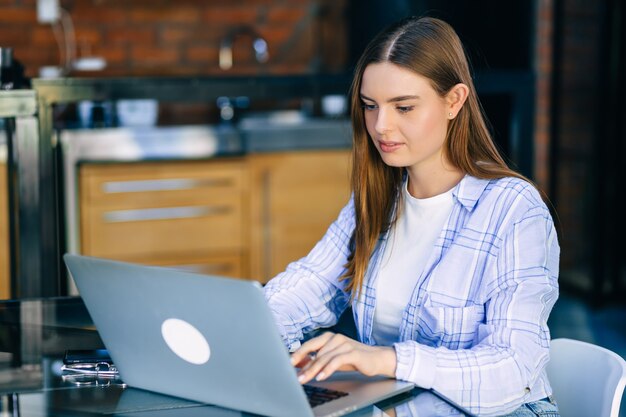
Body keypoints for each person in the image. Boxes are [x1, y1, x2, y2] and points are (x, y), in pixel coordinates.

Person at [263, 16, 560, 417]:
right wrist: (253, 329)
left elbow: (514, 368)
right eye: (370, 106)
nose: (381, 126)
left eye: (403, 107)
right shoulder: (375, 199)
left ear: (454, 101)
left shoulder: (513, 210)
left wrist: (388, 359)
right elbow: (309, 284)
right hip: (397, 408)